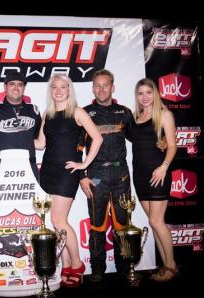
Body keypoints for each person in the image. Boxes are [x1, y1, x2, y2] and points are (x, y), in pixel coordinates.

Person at [35, 74, 102, 288]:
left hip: (67, 172)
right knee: (55, 224)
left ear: (69, 90)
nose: (58, 90)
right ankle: (65, 265)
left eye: (63, 87)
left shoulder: (77, 111)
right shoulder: (48, 114)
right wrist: (16, 136)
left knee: (59, 221)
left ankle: (77, 263)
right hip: (47, 171)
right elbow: (40, 144)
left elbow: (98, 138)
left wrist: (84, 165)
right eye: (54, 87)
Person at [78, 69, 135, 283]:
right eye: (97, 86)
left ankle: (124, 268)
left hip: (121, 174)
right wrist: (82, 176)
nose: (102, 89)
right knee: (97, 224)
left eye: (105, 85)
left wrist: (160, 143)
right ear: (93, 88)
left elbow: (138, 137)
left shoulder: (124, 112)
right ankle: (98, 270)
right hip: (96, 175)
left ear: (113, 87)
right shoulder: (84, 113)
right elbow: (78, 148)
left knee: (123, 224)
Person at [130, 78, 178, 282]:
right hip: (140, 176)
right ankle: (164, 264)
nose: (145, 97)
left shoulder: (164, 114)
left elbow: (173, 146)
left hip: (158, 173)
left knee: (156, 221)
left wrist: (163, 167)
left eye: (148, 92)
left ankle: (171, 266)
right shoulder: (137, 117)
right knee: (155, 222)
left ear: (155, 94)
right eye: (140, 93)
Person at [0, 71, 41, 178]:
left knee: (33, 196)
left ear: (24, 88)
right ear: (5, 87)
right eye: (12, 84)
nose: (16, 88)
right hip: (2, 168)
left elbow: (41, 143)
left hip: (29, 168)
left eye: (20, 84)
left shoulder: (34, 111)